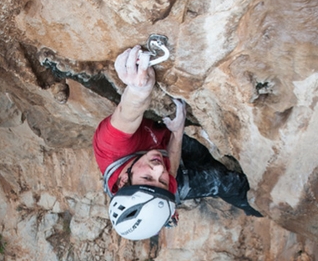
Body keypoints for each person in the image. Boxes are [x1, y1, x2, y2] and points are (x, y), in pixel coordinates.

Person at [93, 44, 262, 240]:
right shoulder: (165, 185)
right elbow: (170, 172)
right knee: (223, 182)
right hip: (168, 157)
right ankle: (253, 206)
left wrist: (138, 91)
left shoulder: (110, 149)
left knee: (202, 151)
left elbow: (127, 116)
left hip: (160, 146)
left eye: (147, 178)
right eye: (162, 181)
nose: (159, 170)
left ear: (123, 180)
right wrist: (178, 132)